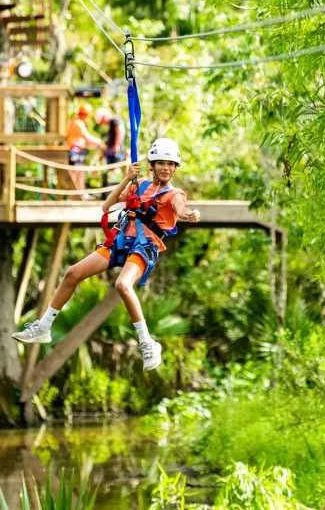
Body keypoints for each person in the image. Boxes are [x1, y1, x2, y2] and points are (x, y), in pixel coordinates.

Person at [13, 138, 201, 371]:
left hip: (144, 246)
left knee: (123, 284)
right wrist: (125, 178)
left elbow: (181, 209)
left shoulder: (175, 195)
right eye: (162, 162)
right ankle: (43, 327)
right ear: (152, 164)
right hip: (122, 241)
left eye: (171, 164)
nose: (166, 168)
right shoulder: (138, 185)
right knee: (73, 273)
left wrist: (189, 214)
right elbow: (107, 207)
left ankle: (147, 342)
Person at [64, 103, 106, 198]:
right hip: (74, 151)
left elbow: (82, 139)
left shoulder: (77, 122)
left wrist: (94, 145)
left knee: (80, 173)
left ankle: (81, 194)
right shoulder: (77, 123)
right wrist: (99, 142)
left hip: (78, 150)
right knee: (75, 173)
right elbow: (86, 137)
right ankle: (76, 195)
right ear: (85, 114)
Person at [95, 107, 126, 197]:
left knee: (114, 173)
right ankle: (109, 194)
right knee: (110, 173)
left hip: (115, 153)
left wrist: (117, 145)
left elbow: (120, 131)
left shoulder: (114, 120)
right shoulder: (111, 123)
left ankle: (116, 193)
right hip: (111, 152)